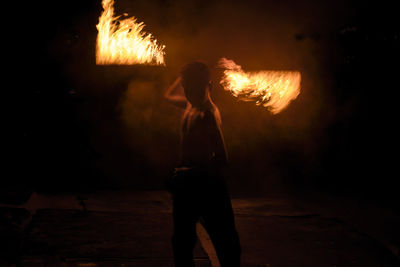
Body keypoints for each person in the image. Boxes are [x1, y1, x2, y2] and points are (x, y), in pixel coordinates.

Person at [164, 61, 241, 267]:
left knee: (224, 242)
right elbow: (168, 96)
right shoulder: (190, 104)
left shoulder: (207, 114)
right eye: (186, 87)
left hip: (205, 185)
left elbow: (222, 157)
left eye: (194, 87)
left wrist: (193, 173)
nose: (188, 92)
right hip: (187, 184)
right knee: (182, 242)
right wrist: (182, 76)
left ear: (209, 86)